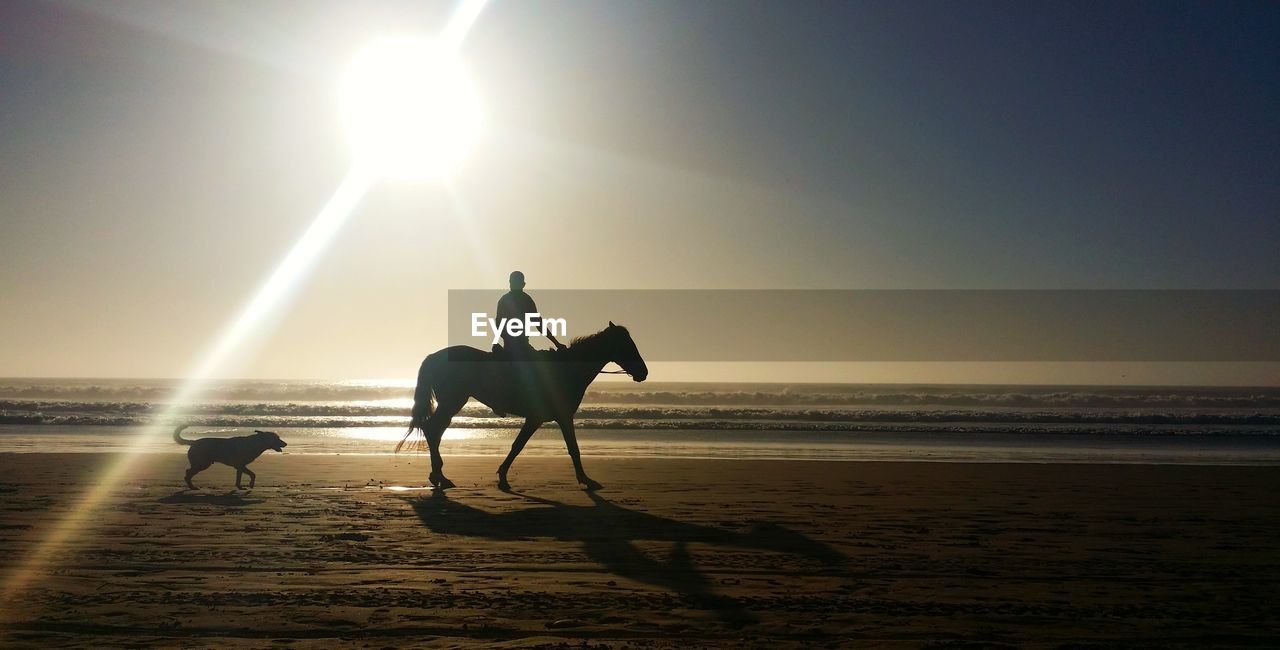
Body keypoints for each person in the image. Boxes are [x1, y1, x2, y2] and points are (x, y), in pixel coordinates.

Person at [496, 271, 564, 359]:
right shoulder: (525, 300)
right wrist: (556, 343)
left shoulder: (512, 300)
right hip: (518, 349)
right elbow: (539, 324)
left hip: (518, 347)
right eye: (513, 282)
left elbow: (538, 324)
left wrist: (556, 343)